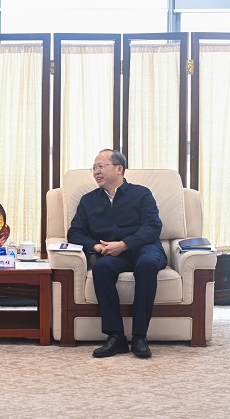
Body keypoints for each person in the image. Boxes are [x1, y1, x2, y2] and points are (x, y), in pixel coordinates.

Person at [67, 149, 166, 358]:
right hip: (112, 254)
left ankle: (139, 337)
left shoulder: (142, 194)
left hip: (144, 248)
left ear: (119, 169)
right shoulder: (88, 201)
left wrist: (124, 244)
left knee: (147, 264)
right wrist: (96, 247)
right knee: (101, 267)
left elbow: (152, 227)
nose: (96, 172)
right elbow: (74, 232)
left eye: (101, 166)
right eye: (94, 168)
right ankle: (116, 337)